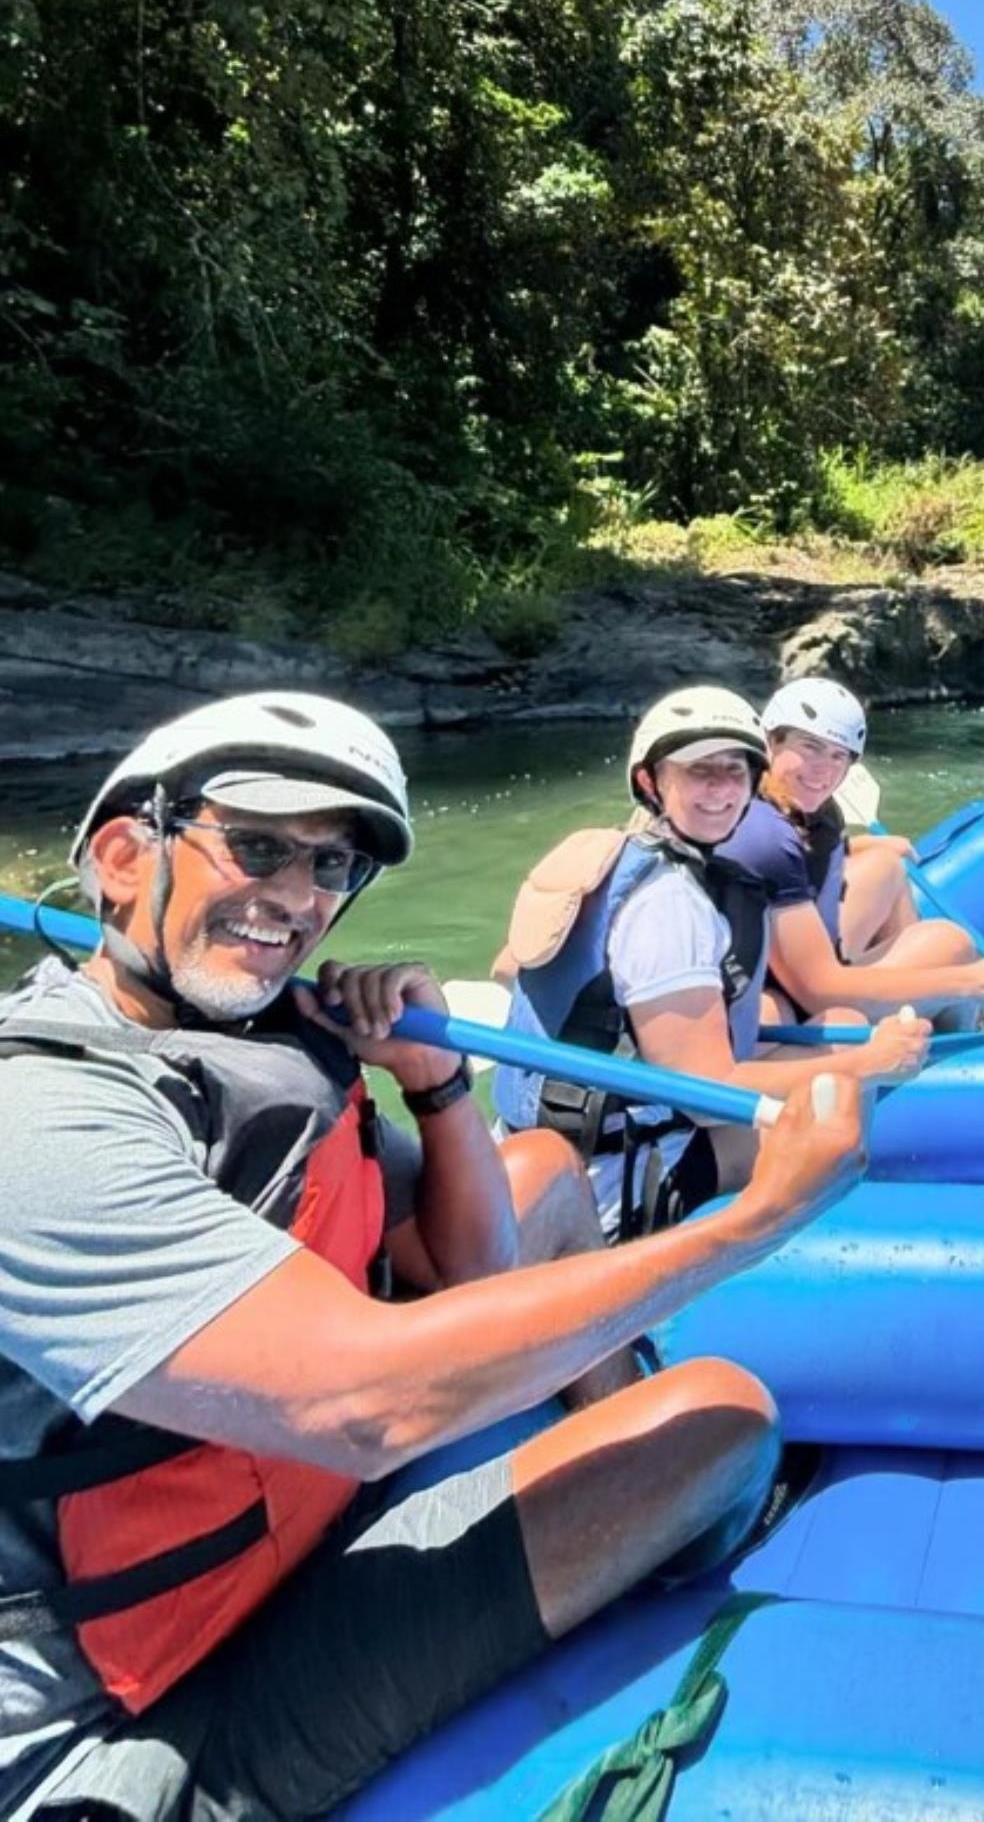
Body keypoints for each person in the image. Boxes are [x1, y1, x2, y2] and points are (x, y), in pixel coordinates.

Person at [0, 691, 866, 1822]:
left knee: (545, 1170)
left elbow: (469, 1260)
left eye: (333, 867)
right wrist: (750, 1221)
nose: (301, 900)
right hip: (135, 1733)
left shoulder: (245, 1043)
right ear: (123, 856)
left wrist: (431, 1080)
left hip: (286, 1535)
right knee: (720, 1417)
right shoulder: (44, 1119)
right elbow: (368, 1404)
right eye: (258, 847)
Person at [492, 686, 930, 1239]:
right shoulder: (670, 905)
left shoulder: (608, 858)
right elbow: (708, 1097)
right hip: (618, 1179)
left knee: (836, 1038)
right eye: (699, 770)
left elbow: (506, 967)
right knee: (831, 1118)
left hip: (541, 1140)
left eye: (735, 770)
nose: (721, 788)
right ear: (652, 781)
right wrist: (873, 1062)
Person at [730, 677, 984, 1030]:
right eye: (809, 747)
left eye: (837, 755)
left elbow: (804, 862)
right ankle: (944, 1020)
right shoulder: (766, 835)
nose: (824, 769)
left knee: (885, 865)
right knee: (949, 943)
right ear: (769, 742)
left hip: (793, 959)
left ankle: (918, 1005)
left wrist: (860, 846)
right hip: (791, 995)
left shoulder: (807, 811)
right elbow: (815, 988)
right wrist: (969, 982)